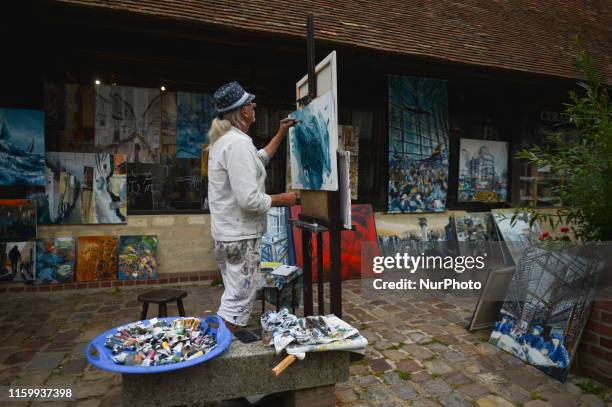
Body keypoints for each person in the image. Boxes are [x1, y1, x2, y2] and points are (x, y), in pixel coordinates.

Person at [208, 81, 297, 331]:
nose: (254, 105)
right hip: (239, 237)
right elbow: (249, 200)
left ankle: (218, 345)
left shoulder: (227, 140)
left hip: (229, 235)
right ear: (243, 112)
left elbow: (258, 159)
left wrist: (280, 134)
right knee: (238, 303)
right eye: (250, 102)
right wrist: (283, 199)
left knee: (234, 296)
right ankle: (218, 350)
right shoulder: (237, 144)